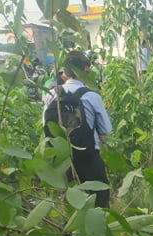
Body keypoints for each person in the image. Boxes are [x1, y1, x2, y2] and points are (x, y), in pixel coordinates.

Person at [42, 50, 113, 207]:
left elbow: (46, 125)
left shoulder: (51, 95)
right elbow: (105, 129)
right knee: (99, 200)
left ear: (65, 72)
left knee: (71, 203)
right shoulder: (92, 96)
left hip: (63, 158)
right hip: (89, 156)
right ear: (85, 70)